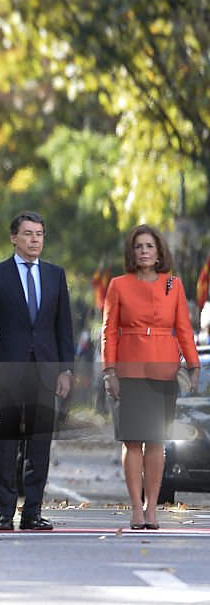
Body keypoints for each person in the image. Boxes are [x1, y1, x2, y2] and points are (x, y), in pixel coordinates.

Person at [0, 212, 74, 531]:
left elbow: (64, 329)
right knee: (5, 445)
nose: (35, 240)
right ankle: (5, 512)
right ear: (13, 238)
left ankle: (32, 511)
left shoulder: (55, 276)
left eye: (40, 234)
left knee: (39, 445)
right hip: (6, 373)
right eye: (28, 234)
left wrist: (65, 371)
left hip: (45, 371)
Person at [101, 224, 199, 530]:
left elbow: (183, 328)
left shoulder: (173, 284)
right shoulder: (118, 285)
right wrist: (109, 372)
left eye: (149, 246)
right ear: (132, 252)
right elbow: (108, 331)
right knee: (132, 442)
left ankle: (152, 508)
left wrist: (194, 366)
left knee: (156, 442)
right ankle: (135, 508)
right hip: (129, 370)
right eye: (138, 246)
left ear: (159, 253)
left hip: (164, 370)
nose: (144, 251)